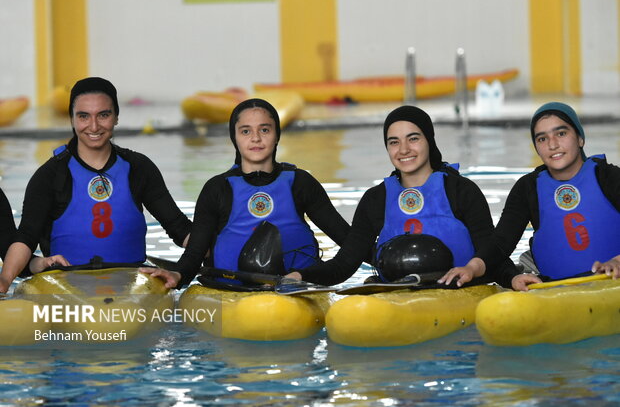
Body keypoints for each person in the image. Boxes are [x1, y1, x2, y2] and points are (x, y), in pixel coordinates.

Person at [286, 105, 514, 287]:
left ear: (429, 141)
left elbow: (491, 251)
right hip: (396, 294)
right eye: (394, 142)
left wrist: (512, 277)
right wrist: (299, 276)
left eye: (413, 139)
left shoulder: (461, 190)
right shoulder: (375, 199)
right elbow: (345, 264)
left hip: (460, 290)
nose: (403, 150)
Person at [0, 77, 192, 293]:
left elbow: (180, 229)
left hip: (131, 281)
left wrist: (204, 258)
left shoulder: (139, 167)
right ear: (72, 119)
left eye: (103, 115)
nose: (94, 126)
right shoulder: (50, 174)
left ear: (116, 117)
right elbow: (26, 236)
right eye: (83, 116)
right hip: (64, 283)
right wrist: (5, 281)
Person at [143, 98, 351, 288]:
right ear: (234, 137)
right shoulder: (217, 189)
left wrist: (379, 265)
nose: (255, 139)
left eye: (265, 130)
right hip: (230, 289)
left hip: (297, 288)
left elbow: (350, 243)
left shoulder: (301, 183)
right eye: (245, 131)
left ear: (277, 134)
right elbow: (195, 252)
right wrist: (178, 274)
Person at [447, 102, 620, 291]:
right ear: (537, 148)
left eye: (561, 134)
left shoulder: (609, 177)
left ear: (580, 138)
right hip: (557, 290)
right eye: (542, 139)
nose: (552, 145)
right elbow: (500, 244)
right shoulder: (527, 188)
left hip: (613, 283)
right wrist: (472, 268)